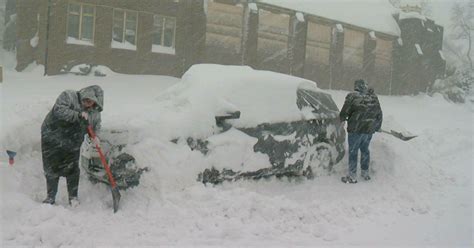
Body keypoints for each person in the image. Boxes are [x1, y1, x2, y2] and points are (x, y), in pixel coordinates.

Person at [41, 85, 103, 204]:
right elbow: (58, 110)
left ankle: (73, 198)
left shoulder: (95, 113)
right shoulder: (68, 96)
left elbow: (96, 127)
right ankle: (51, 197)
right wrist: (78, 115)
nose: (87, 103)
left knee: (72, 168)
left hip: (73, 139)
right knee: (51, 166)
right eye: (86, 99)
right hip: (52, 135)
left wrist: (96, 137)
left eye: (91, 101)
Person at [339, 79, 382, 183]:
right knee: (365, 150)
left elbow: (345, 111)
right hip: (368, 130)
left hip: (356, 129)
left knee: (353, 151)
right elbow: (379, 113)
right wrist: (377, 126)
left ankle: (352, 176)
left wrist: (342, 119)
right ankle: (365, 173)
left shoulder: (352, 96)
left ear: (357, 86)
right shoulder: (373, 97)